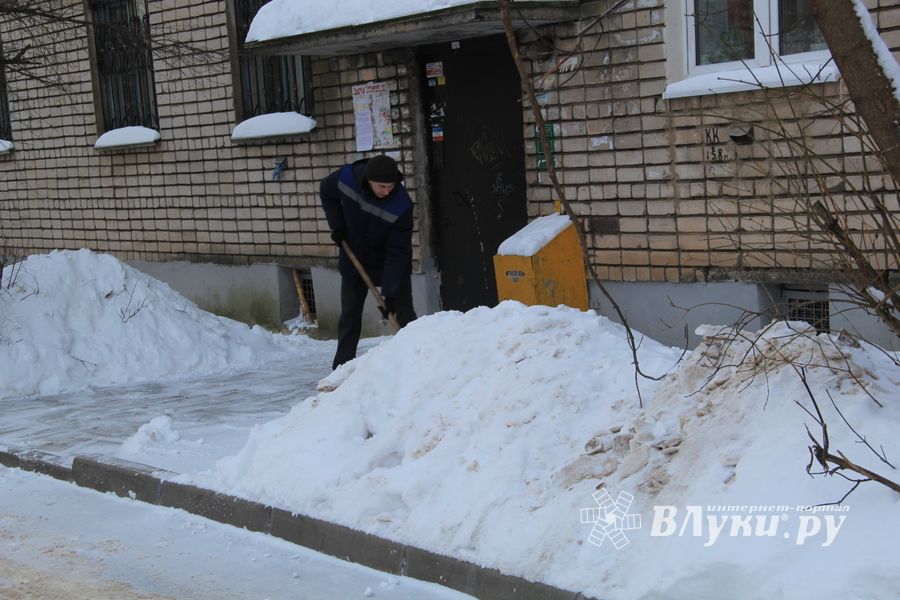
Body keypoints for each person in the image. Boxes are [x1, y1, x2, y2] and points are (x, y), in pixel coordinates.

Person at [319, 154, 417, 370]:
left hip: (388, 262)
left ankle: (414, 364)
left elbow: (398, 252)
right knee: (350, 316)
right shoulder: (347, 179)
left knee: (405, 315)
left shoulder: (401, 205)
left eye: (391, 186)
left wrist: (389, 293)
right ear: (368, 180)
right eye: (382, 186)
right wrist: (338, 226)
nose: (387, 191)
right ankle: (341, 369)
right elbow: (326, 191)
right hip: (354, 258)